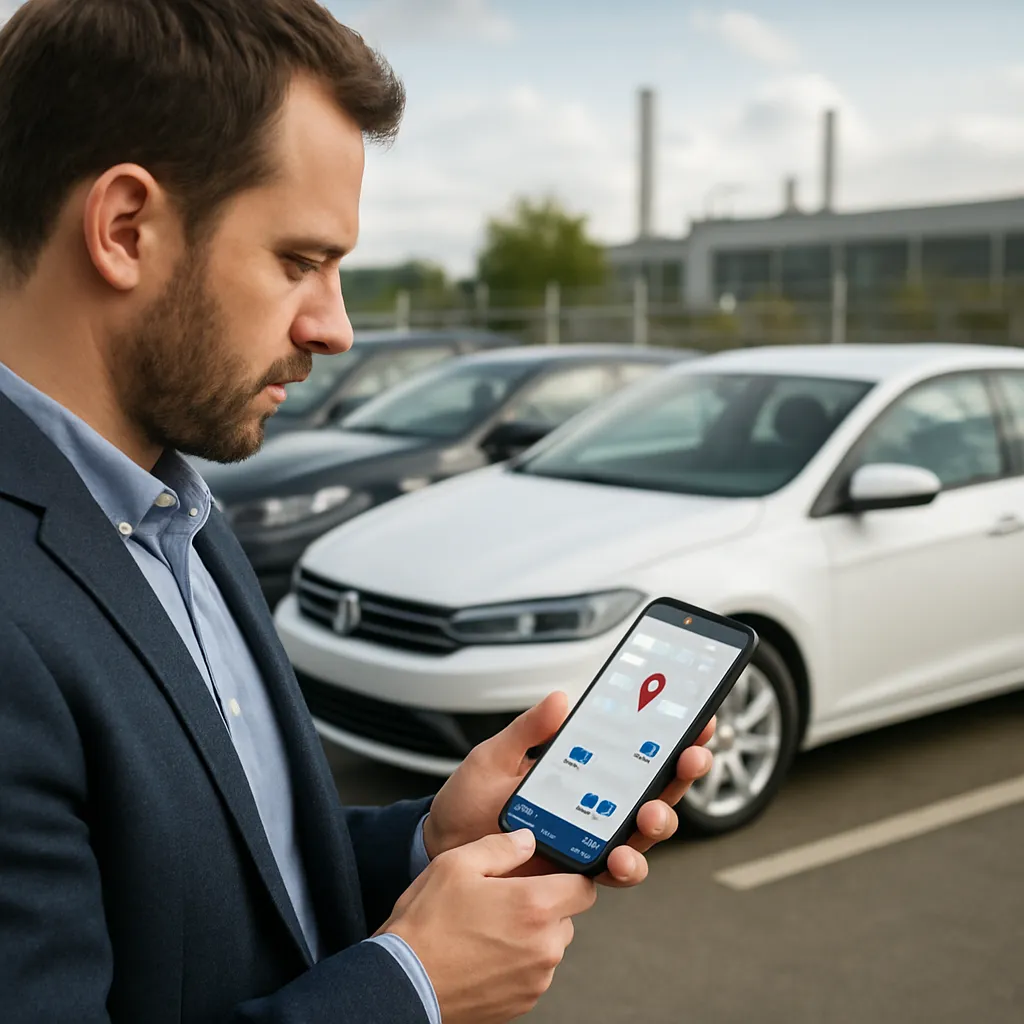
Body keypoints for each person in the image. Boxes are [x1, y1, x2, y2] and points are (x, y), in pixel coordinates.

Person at [0, 2, 716, 1022]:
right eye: (300, 260)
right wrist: (410, 987)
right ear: (125, 228)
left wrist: (431, 840)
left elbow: (236, 877)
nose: (335, 327)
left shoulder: (175, 511)